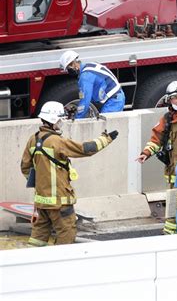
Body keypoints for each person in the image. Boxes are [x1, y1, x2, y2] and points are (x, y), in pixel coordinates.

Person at [21, 101, 118, 246]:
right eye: (60, 119)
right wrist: (106, 138)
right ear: (54, 120)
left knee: (38, 236)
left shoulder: (33, 140)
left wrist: (40, 184)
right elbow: (86, 149)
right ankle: (60, 265)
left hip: (42, 202)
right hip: (60, 202)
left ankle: (34, 264)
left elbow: (25, 167)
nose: (61, 122)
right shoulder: (57, 141)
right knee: (66, 234)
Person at [59, 50, 125, 119]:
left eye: (68, 69)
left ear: (73, 64)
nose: (68, 71)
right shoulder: (90, 65)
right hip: (117, 97)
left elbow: (85, 102)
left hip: (113, 102)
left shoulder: (85, 77)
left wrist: (77, 119)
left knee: (105, 127)